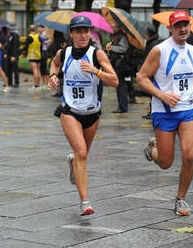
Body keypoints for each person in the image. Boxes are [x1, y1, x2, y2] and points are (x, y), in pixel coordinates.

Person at [136, 10, 193, 216]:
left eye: (186, 24)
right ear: (170, 29)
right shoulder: (159, 50)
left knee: (190, 155)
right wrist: (162, 95)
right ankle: (152, 149)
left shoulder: (192, 51)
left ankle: (181, 199)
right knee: (166, 163)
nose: (183, 29)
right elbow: (141, 78)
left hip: (187, 110)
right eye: (178, 26)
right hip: (164, 110)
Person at [48, 16, 118, 215]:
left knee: (81, 156)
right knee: (81, 152)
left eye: (86, 31)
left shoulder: (98, 54)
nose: (82, 35)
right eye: (78, 31)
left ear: (90, 33)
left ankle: (73, 164)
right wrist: (53, 76)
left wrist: (96, 71)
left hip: (92, 113)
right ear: (71, 33)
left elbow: (114, 81)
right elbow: (54, 64)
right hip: (69, 110)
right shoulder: (64, 53)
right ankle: (84, 201)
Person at [106, 21, 131, 113]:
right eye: (111, 27)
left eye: (115, 27)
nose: (113, 29)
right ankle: (121, 105)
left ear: (119, 27)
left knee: (120, 85)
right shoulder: (115, 36)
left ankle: (123, 106)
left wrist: (112, 48)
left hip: (120, 64)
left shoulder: (122, 36)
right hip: (115, 63)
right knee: (118, 85)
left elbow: (124, 48)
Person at [141, 24, 161, 120]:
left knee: (153, 91)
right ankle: (151, 110)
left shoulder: (153, 44)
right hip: (152, 72)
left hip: (153, 72)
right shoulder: (152, 42)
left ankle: (152, 111)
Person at [23, 25, 42, 92]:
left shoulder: (29, 37)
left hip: (32, 55)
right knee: (38, 70)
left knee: (35, 71)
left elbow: (26, 46)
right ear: (35, 29)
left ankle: (35, 85)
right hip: (38, 55)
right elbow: (41, 45)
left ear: (29, 29)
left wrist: (24, 53)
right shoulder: (38, 36)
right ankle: (38, 85)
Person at [50, 30, 68, 97]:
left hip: (58, 61)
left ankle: (59, 91)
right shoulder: (65, 41)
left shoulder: (56, 41)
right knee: (63, 77)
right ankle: (63, 91)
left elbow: (53, 50)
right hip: (64, 61)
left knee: (59, 77)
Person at [37, 24, 50, 90]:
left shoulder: (44, 34)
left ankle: (48, 84)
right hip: (41, 52)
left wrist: (38, 37)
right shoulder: (40, 34)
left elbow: (43, 41)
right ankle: (44, 83)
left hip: (44, 52)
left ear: (43, 28)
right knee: (42, 69)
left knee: (44, 69)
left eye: (40, 28)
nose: (38, 29)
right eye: (38, 28)